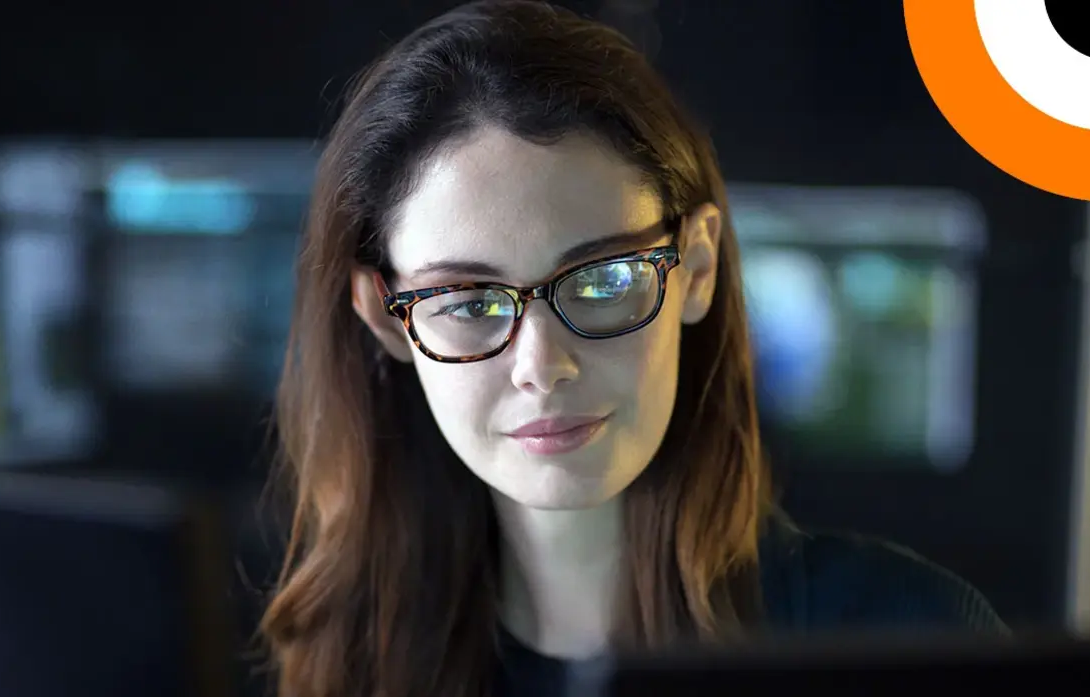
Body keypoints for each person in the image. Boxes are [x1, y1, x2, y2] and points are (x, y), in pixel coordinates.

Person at [258, 2, 1006, 696]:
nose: (542, 366)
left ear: (698, 268)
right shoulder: (351, 658)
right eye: (470, 302)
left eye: (604, 278)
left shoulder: (903, 636)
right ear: (386, 318)